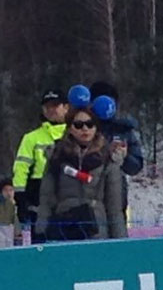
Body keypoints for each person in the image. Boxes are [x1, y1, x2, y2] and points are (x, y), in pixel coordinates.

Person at [34, 105, 126, 241]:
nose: (85, 129)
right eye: (78, 125)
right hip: (65, 227)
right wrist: (40, 233)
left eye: (90, 124)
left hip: (97, 230)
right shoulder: (57, 156)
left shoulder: (107, 158)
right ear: (70, 128)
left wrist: (120, 242)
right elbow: (46, 198)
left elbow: (114, 207)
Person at [11, 88, 69, 225]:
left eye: (55, 105)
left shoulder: (75, 133)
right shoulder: (31, 138)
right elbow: (21, 168)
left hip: (68, 191)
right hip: (38, 193)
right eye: (47, 106)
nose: (51, 110)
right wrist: (20, 197)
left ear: (66, 107)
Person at [89, 81, 144, 177]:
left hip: (115, 187)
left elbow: (136, 167)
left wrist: (124, 157)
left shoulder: (123, 130)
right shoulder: (82, 127)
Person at [0, 177, 17, 248]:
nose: (8, 193)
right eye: (6, 190)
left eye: (11, 190)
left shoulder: (13, 204)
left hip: (9, 232)